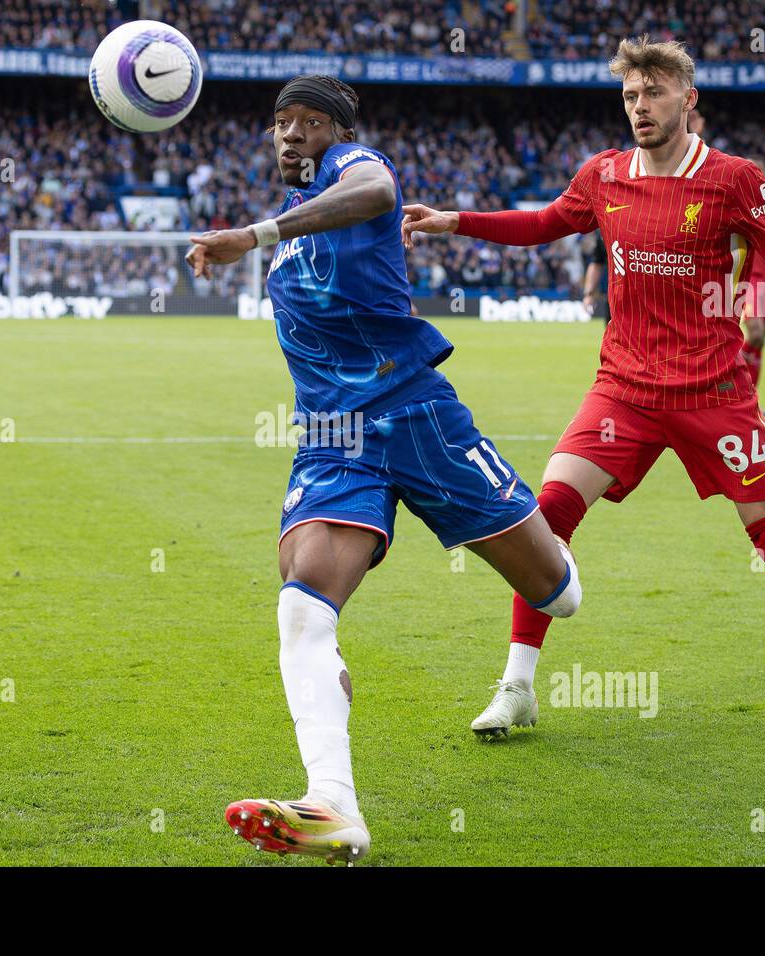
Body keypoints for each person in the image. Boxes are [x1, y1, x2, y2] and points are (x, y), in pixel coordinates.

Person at [403, 36, 765, 738]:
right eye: (630, 95)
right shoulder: (604, 174)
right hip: (623, 389)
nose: (640, 107)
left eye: (653, 93)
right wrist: (455, 222)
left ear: (689, 99)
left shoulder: (735, 179)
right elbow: (545, 225)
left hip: (715, 393)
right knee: (544, 517)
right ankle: (517, 687)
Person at [185, 75, 582, 864]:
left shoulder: (354, 170)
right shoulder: (301, 234)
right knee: (302, 608)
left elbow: (375, 190)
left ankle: (550, 546)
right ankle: (333, 803)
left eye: (307, 123)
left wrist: (251, 235)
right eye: (279, 125)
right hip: (334, 437)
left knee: (558, 594)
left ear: (335, 131)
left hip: (417, 416)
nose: (290, 136)